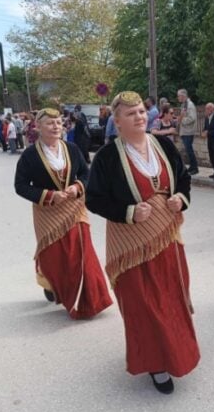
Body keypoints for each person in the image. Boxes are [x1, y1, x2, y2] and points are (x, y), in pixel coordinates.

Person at [85, 91, 199, 395]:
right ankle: (155, 362)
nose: (138, 116)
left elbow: (183, 177)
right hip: (131, 242)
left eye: (140, 111)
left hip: (166, 236)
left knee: (172, 296)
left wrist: (180, 198)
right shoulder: (108, 156)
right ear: (117, 121)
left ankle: (177, 351)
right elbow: (94, 199)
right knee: (144, 303)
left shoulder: (162, 144)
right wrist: (128, 212)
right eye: (130, 113)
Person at [13, 108, 113, 320]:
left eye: (58, 122)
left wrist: (77, 187)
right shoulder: (30, 155)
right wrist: (48, 195)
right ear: (38, 127)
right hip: (47, 212)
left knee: (82, 252)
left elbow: (86, 173)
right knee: (56, 256)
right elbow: (20, 186)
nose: (56, 126)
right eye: (50, 123)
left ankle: (90, 300)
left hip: (74, 209)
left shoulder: (72, 148)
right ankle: (52, 283)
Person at [177, 88, 199, 174]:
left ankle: (195, 168)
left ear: (183, 96)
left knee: (189, 150)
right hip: (185, 131)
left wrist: (181, 120)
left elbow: (192, 118)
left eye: (178, 96)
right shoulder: (184, 105)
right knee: (188, 150)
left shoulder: (190, 105)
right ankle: (192, 167)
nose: (178, 98)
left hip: (188, 131)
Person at [202, 102, 214, 180]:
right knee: (211, 156)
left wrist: (208, 132)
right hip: (209, 140)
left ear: (211, 109)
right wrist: (204, 132)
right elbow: (205, 127)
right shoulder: (207, 117)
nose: (205, 110)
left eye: (207, 108)